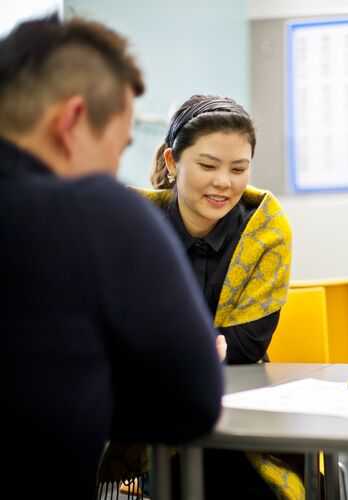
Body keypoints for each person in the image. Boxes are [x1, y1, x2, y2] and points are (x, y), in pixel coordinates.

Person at [0, 15, 223, 500]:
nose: (116, 168)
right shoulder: (97, 214)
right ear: (71, 121)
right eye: (117, 147)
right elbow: (193, 403)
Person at [135, 94, 295, 499]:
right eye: (208, 166)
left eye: (238, 169)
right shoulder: (135, 224)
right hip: (158, 416)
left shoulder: (267, 231)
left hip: (243, 415)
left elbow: (247, 343)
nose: (224, 182)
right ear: (172, 162)